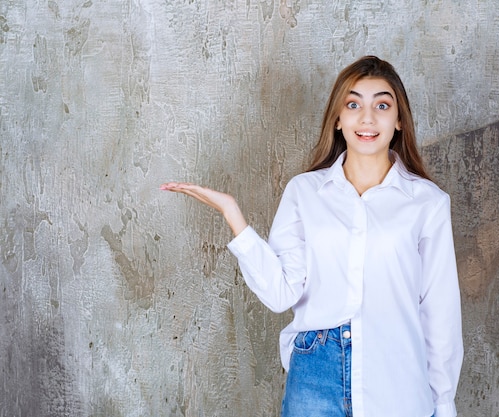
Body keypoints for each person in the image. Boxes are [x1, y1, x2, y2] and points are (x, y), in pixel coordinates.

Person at [161, 56, 463, 417]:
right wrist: (233, 215)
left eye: (382, 105)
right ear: (338, 118)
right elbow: (281, 292)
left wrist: (443, 405)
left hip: (397, 378)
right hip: (315, 375)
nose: (367, 118)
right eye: (353, 105)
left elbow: (440, 312)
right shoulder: (304, 191)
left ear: (399, 120)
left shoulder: (427, 202)